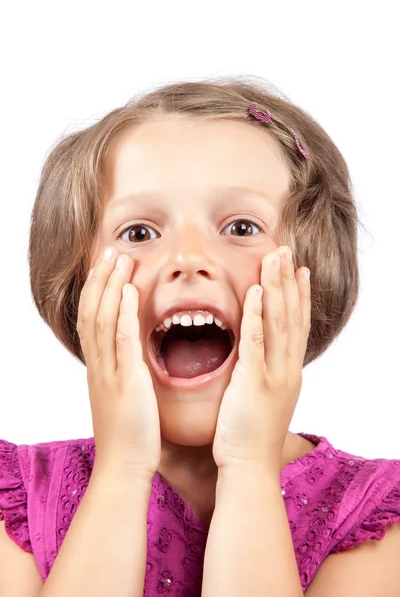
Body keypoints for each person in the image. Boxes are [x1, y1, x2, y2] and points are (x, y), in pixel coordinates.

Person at [1, 77, 399, 596]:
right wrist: (121, 468)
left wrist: (250, 466)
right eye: (139, 233)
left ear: (314, 267)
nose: (188, 258)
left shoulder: (371, 513)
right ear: (80, 286)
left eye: (240, 228)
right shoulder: (21, 500)